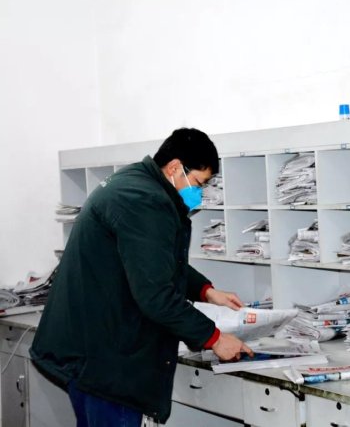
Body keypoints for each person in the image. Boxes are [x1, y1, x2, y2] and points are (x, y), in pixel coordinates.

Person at [30, 128, 253, 426]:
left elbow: (152, 260)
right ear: (175, 168)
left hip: (90, 349)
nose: (199, 194)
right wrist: (214, 338)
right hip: (106, 363)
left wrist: (205, 291)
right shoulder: (147, 202)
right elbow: (156, 294)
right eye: (199, 183)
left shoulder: (134, 181)